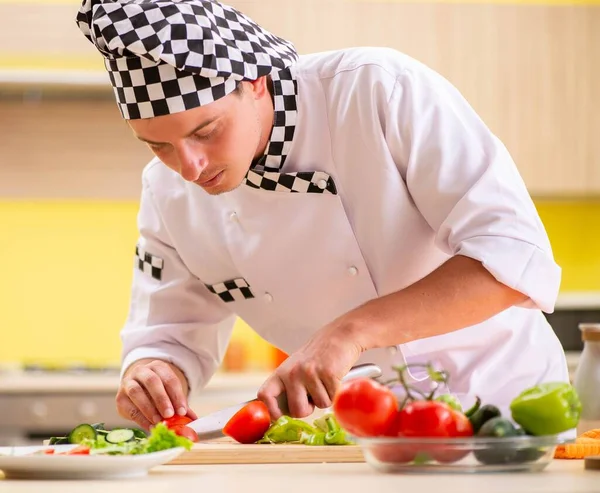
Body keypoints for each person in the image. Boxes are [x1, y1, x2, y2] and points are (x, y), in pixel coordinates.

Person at [76, 0, 569, 431]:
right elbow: (168, 332)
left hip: (505, 409)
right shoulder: (166, 193)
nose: (189, 167)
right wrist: (154, 369)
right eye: (158, 145)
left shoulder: (378, 91)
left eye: (205, 132)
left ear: (257, 82)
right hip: (354, 433)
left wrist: (348, 333)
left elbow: (512, 261)